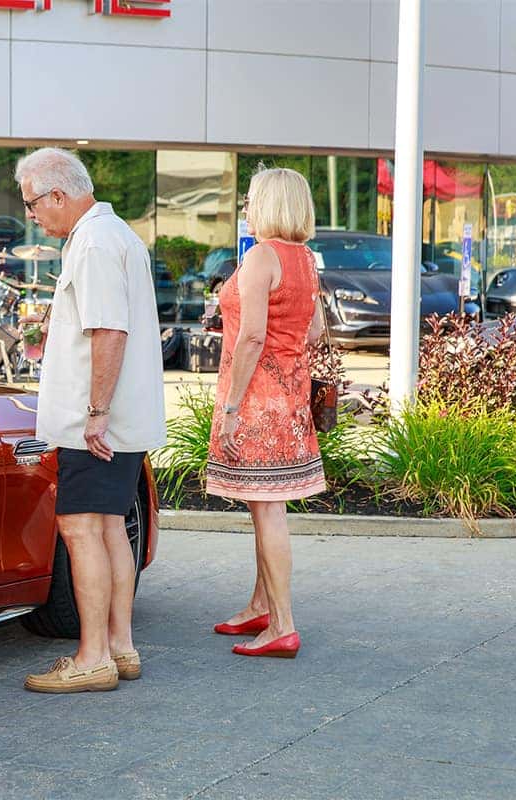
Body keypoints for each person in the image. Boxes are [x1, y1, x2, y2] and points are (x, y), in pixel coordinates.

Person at [15, 148, 166, 693]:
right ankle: (120, 647)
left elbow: (108, 331)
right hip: (118, 418)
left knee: (82, 530)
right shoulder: (114, 234)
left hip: (97, 422)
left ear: (58, 194)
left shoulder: (95, 242)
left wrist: (96, 414)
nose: (31, 214)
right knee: (108, 531)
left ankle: (93, 656)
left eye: (33, 202)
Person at [205, 168, 327, 660]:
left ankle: (281, 624)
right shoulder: (304, 260)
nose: (246, 207)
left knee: (268, 510)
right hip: (289, 401)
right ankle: (260, 604)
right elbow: (314, 331)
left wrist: (232, 407)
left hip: (255, 402)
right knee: (264, 507)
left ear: (271, 204)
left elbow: (252, 336)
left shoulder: (261, 256)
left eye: (251, 199)